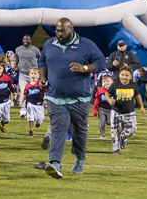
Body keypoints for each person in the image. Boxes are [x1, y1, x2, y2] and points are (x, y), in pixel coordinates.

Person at [36, 17, 106, 178]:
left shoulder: (86, 44)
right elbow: (42, 62)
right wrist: (42, 78)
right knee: (58, 128)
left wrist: (85, 68)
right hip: (55, 97)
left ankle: (80, 158)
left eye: (62, 31)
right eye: (57, 30)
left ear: (71, 29)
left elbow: (101, 63)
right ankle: (55, 163)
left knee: (79, 130)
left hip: (79, 98)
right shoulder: (49, 44)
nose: (59, 34)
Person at [109, 66, 144, 154]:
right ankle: (115, 149)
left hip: (129, 112)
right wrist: (110, 100)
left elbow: (137, 96)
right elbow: (107, 94)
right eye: (122, 75)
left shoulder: (133, 85)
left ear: (130, 76)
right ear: (119, 75)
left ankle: (123, 138)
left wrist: (141, 106)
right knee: (115, 131)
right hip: (116, 111)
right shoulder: (115, 84)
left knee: (132, 130)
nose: (124, 77)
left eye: (126, 75)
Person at [21, 67, 45, 137]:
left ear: (38, 75)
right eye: (32, 73)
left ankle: (38, 122)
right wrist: (21, 102)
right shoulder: (28, 85)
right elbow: (25, 94)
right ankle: (30, 130)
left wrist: (45, 99)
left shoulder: (40, 84)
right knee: (30, 117)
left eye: (35, 73)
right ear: (29, 75)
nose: (33, 75)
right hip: (30, 103)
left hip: (39, 104)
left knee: (40, 118)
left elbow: (45, 92)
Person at [92, 74, 114, 140]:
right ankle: (103, 135)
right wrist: (95, 109)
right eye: (104, 81)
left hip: (111, 109)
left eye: (108, 81)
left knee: (109, 122)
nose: (106, 83)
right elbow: (97, 100)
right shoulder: (100, 91)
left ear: (112, 82)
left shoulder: (114, 90)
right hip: (102, 108)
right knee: (102, 123)